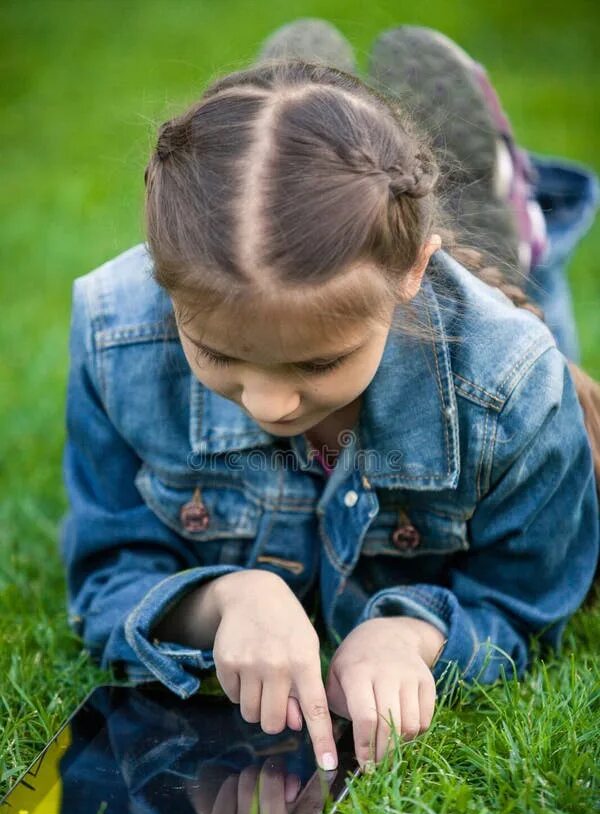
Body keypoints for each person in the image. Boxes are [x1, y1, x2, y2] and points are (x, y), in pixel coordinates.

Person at [59, 21, 600, 774]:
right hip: (379, 285)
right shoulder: (119, 329)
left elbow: (530, 598)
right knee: (280, 255)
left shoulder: (511, 380)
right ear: (161, 276)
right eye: (220, 352)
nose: (274, 404)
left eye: (318, 362)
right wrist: (222, 601)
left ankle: (495, 212)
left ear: (411, 271)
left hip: (451, 324)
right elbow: (109, 572)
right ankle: (294, 160)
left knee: (527, 300)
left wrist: (416, 633)